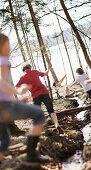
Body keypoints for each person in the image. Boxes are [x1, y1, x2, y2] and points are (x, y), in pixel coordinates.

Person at [0, 33, 50, 165]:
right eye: (8, 45)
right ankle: (31, 155)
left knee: (4, 141)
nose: (9, 48)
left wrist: (16, 100)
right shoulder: (4, 61)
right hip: (4, 107)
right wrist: (18, 90)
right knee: (38, 114)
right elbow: (2, 83)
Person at [16, 63, 63, 134]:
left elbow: (16, 88)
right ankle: (56, 124)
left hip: (35, 96)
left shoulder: (22, 77)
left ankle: (39, 130)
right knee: (51, 110)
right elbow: (46, 74)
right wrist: (48, 67)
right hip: (44, 92)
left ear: (23, 70)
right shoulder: (35, 71)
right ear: (30, 67)